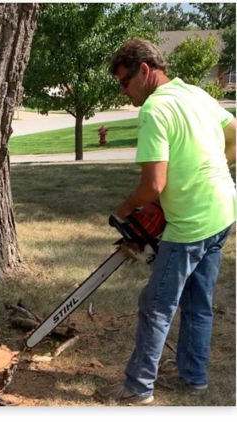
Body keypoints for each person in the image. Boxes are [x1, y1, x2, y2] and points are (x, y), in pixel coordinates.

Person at [94, 38, 236, 405]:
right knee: (197, 301)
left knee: (155, 305)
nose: (124, 92)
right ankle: (194, 378)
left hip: (190, 223)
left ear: (144, 70)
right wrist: (211, 170)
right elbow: (234, 131)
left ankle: (138, 387)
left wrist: (125, 209)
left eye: (125, 83)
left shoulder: (154, 110)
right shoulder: (193, 93)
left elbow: (153, 184)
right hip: (222, 210)